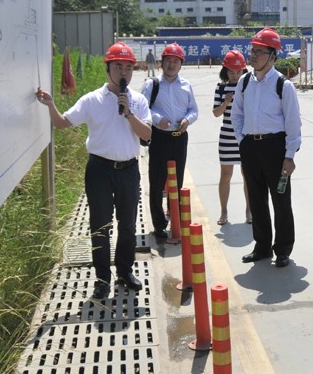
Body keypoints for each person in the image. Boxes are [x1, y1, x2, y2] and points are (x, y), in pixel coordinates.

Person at [36, 42, 152, 300]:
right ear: (107, 68)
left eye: (128, 67)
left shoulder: (138, 100)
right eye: (118, 66)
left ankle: (125, 271)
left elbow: (147, 135)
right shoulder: (92, 100)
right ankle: (102, 279)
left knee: (128, 224)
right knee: (100, 225)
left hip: (128, 170)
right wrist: (51, 105)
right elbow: (62, 123)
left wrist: (129, 113)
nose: (123, 72)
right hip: (99, 169)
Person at [232, 28, 302, 268]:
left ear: (272, 56)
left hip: (275, 147)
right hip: (250, 147)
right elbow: (236, 114)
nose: (253, 55)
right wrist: (242, 141)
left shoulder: (283, 85)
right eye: (252, 50)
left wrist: (289, 156)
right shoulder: (244, 82)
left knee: (281, 200)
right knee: (256, 199)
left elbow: (293, 124)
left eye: (259, 51)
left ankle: (282, 249)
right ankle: (262, 246)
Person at [141, 43, 198, 240]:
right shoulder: (152, 84)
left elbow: (194, 110)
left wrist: (187, 120)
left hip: (179, 138)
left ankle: (175, 218)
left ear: (181, 64)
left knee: (177, 182)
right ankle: (159, 225)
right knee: (157, 182)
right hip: (160, 138)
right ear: (161, 62)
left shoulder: (186, 86)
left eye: (175, 61)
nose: (171, 64)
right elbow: (143, 108)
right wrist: (158, 119)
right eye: (168, 60)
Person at [213, 50, 251, 226]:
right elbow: (216, 113)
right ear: (225, 71)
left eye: (238, 72)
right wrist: (226, 102)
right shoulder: (221, 88)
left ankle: (249, 211)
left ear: (244, 71)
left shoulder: (249, 86)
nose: (235, 76)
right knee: (226, 175)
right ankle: (224, 211)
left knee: (247, 175)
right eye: (231, 72)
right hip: (227, 137)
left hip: (245, 136)